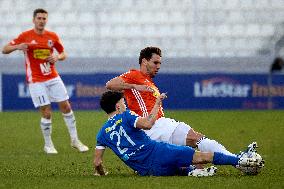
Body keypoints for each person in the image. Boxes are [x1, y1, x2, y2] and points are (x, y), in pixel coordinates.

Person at [106, 46, 239, 157]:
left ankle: (203, 168)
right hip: (153, 126)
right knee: (196, 138)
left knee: (187, 153)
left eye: (160, 63)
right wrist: (134, 86)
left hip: (154, 127)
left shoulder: (149, 82)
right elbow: (110, 84)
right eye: (155, 63)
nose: (158, 66)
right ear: (144, 61)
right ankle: (238, 160)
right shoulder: (134, 75)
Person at [94, 91, 262, 176]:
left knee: (181, 168)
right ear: (117, 107)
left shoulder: (102, 134)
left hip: (148, 170)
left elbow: (97, 163)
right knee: (203, 157)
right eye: (123, 102)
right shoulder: (126, 116)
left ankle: (194, 172)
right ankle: (240, 160)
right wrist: (157, 102)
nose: (125, 105)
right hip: (158, 152)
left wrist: (103, 173)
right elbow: (148, 124)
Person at [1, 8, 88, 154]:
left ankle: (75, 140)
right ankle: (48, 145)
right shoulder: (26, 36)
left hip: (52, 76)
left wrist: (57, 57)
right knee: (46, 112)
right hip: (36, 80)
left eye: (44, 18)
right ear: (34, 20)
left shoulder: (52, 36)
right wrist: (17, 47)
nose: (42, 21)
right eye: (39, 18)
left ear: (46, 20)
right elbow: (4, 49)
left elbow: (63, 53)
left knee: (66, 106)